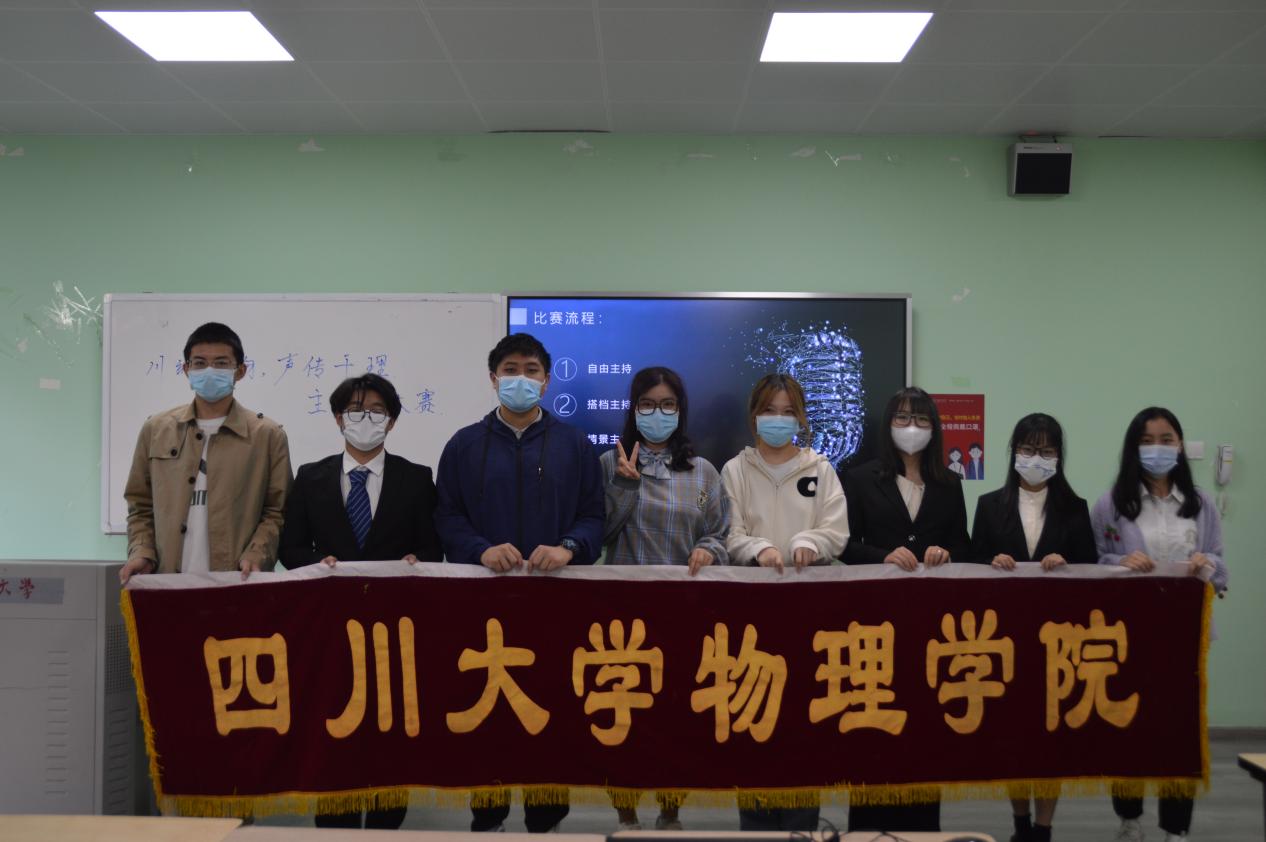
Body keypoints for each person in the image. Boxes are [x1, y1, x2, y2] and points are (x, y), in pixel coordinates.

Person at [434, 332, 604, 833]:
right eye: (511, 370)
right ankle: (487, 815)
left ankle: (546, 818)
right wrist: (479, 549)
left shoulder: (574, 444)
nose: (521, 379)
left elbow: (594, 517)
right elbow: (446, 516)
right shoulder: (463, 444)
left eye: (531, 370)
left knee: (553, 712)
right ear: (493, 379)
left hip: (555, 607)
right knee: (488, 712)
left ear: (547, 381)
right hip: (484, 609)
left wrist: (568, 546)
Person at [279, 373, 440, 829]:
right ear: (337, 418)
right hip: (329, 630)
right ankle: (334, 826)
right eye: (355, 410)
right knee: (332, 727)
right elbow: (290, 548)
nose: (364, 419)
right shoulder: (310, 477)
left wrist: (417, 560)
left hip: (396, 631)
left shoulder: (416, 478)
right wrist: (318, 563)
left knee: (390, 728)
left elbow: (433, 548)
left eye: (376, 411)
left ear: (391, 422)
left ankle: (387, 824)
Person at [600, 366, 729, 831]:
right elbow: (599, 533)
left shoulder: (703, 471)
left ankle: (670, 811)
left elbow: (720, 534)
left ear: (681, 410)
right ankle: (626, 814)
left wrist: (708, 549)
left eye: (668, 404)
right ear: (634, 410)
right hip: (623, 615)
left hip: (683, 614)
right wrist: (625, 485)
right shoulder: (610, 462)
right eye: (648, 404)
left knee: (677, 716)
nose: (658, 413)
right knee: (624, 715)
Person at [1091, 407, 1227, 842]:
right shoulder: (1111, 503)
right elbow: (1095, 563)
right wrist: (1121, 561)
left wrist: (1207, 563)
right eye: (1147, 440)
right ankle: (1129, 818)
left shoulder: (1200, 503)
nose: (1157, 448)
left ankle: (1176, 827)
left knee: (1178, 730)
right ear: (1134, 448)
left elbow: (1220, 564)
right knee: (1126, 724)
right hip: (1127, 633)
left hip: (1185, 634)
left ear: (1180, 445)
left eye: (1166, 439)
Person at [720, 373, 847, 832]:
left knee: (802, 726)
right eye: (769, 411)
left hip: (807, 619)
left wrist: (809, 542)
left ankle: (801, 824)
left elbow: (836, 531)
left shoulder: (820, 469)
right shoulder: (734, 470)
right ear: (754, 416)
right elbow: (729, 534)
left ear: (801, 417)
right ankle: (755, 825)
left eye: (788, 411)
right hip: (750, 621)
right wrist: (759, 549)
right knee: (752, 718)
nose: (778, 420)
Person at [841, 386, 969, 832]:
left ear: (934, 428)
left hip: (929, 628)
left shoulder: (949, 483)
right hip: (874, 625)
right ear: (888, 424)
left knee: (923, 728)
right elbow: (844, 545)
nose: (911, 428)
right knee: (871, 724)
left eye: (921, 419)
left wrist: (946, 553)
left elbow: (964, 545)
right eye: (902, 418)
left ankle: (922, 830)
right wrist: (883, 556)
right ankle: (866, 830)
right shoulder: (860, 477)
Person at [968, 413, 1097, 842]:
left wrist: (1067, 564)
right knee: (1014, 738)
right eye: (1028, 449)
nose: (1036, 458)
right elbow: (971, 564)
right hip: (1005, 639)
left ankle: (1044, 827)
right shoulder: (989, 505)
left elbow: (1092, 571)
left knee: (1050, 741)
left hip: (1057, 643)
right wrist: (991, 562)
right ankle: (1020, 822)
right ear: (1014, 453)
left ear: (1059, 456)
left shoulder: (1076, 508)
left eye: (1046, 450)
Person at [121, 322, 291, 583]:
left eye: (221, 363)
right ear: (186, 369)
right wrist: (142, 552)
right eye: (199, 363)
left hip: (237, 582)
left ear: (240, 371)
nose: (209, 371)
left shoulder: (267, 435)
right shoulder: (155, 429)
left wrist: (258, 553)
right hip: (167, 581)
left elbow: (277, 511)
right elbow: (140, 506)